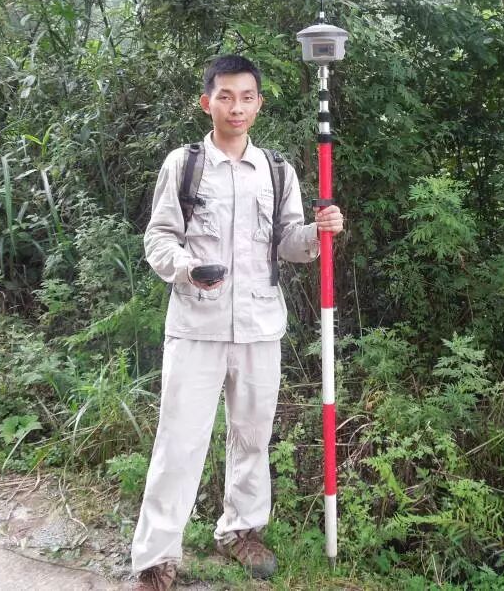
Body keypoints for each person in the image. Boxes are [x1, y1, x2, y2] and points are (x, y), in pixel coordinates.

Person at [130, 54, 344, 590]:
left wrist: (319, 233)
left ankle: (240, 531)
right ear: (206, 102)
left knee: (252, 437)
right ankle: (157, 557)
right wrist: (186, 268)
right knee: (179, 441)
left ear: (259, 104)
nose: (236, 107)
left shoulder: (276, 170)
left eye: (247, 97)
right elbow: (159, 236)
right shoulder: (183, 164)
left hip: (259, 325)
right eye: (225, 97)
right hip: (196, 325)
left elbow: (289, 243)